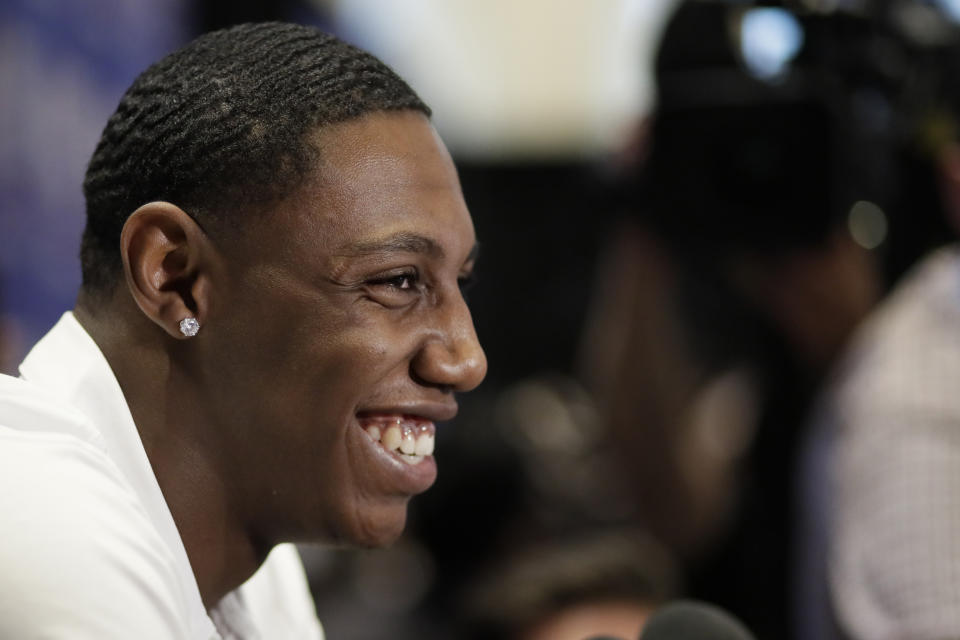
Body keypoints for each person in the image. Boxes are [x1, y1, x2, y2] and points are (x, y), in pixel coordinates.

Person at [0, 21, 486, 640]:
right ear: (173, 276)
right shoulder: (35, 511)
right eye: (396, 281)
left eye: (458, 284)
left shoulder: (258, 567)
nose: (465, 361)